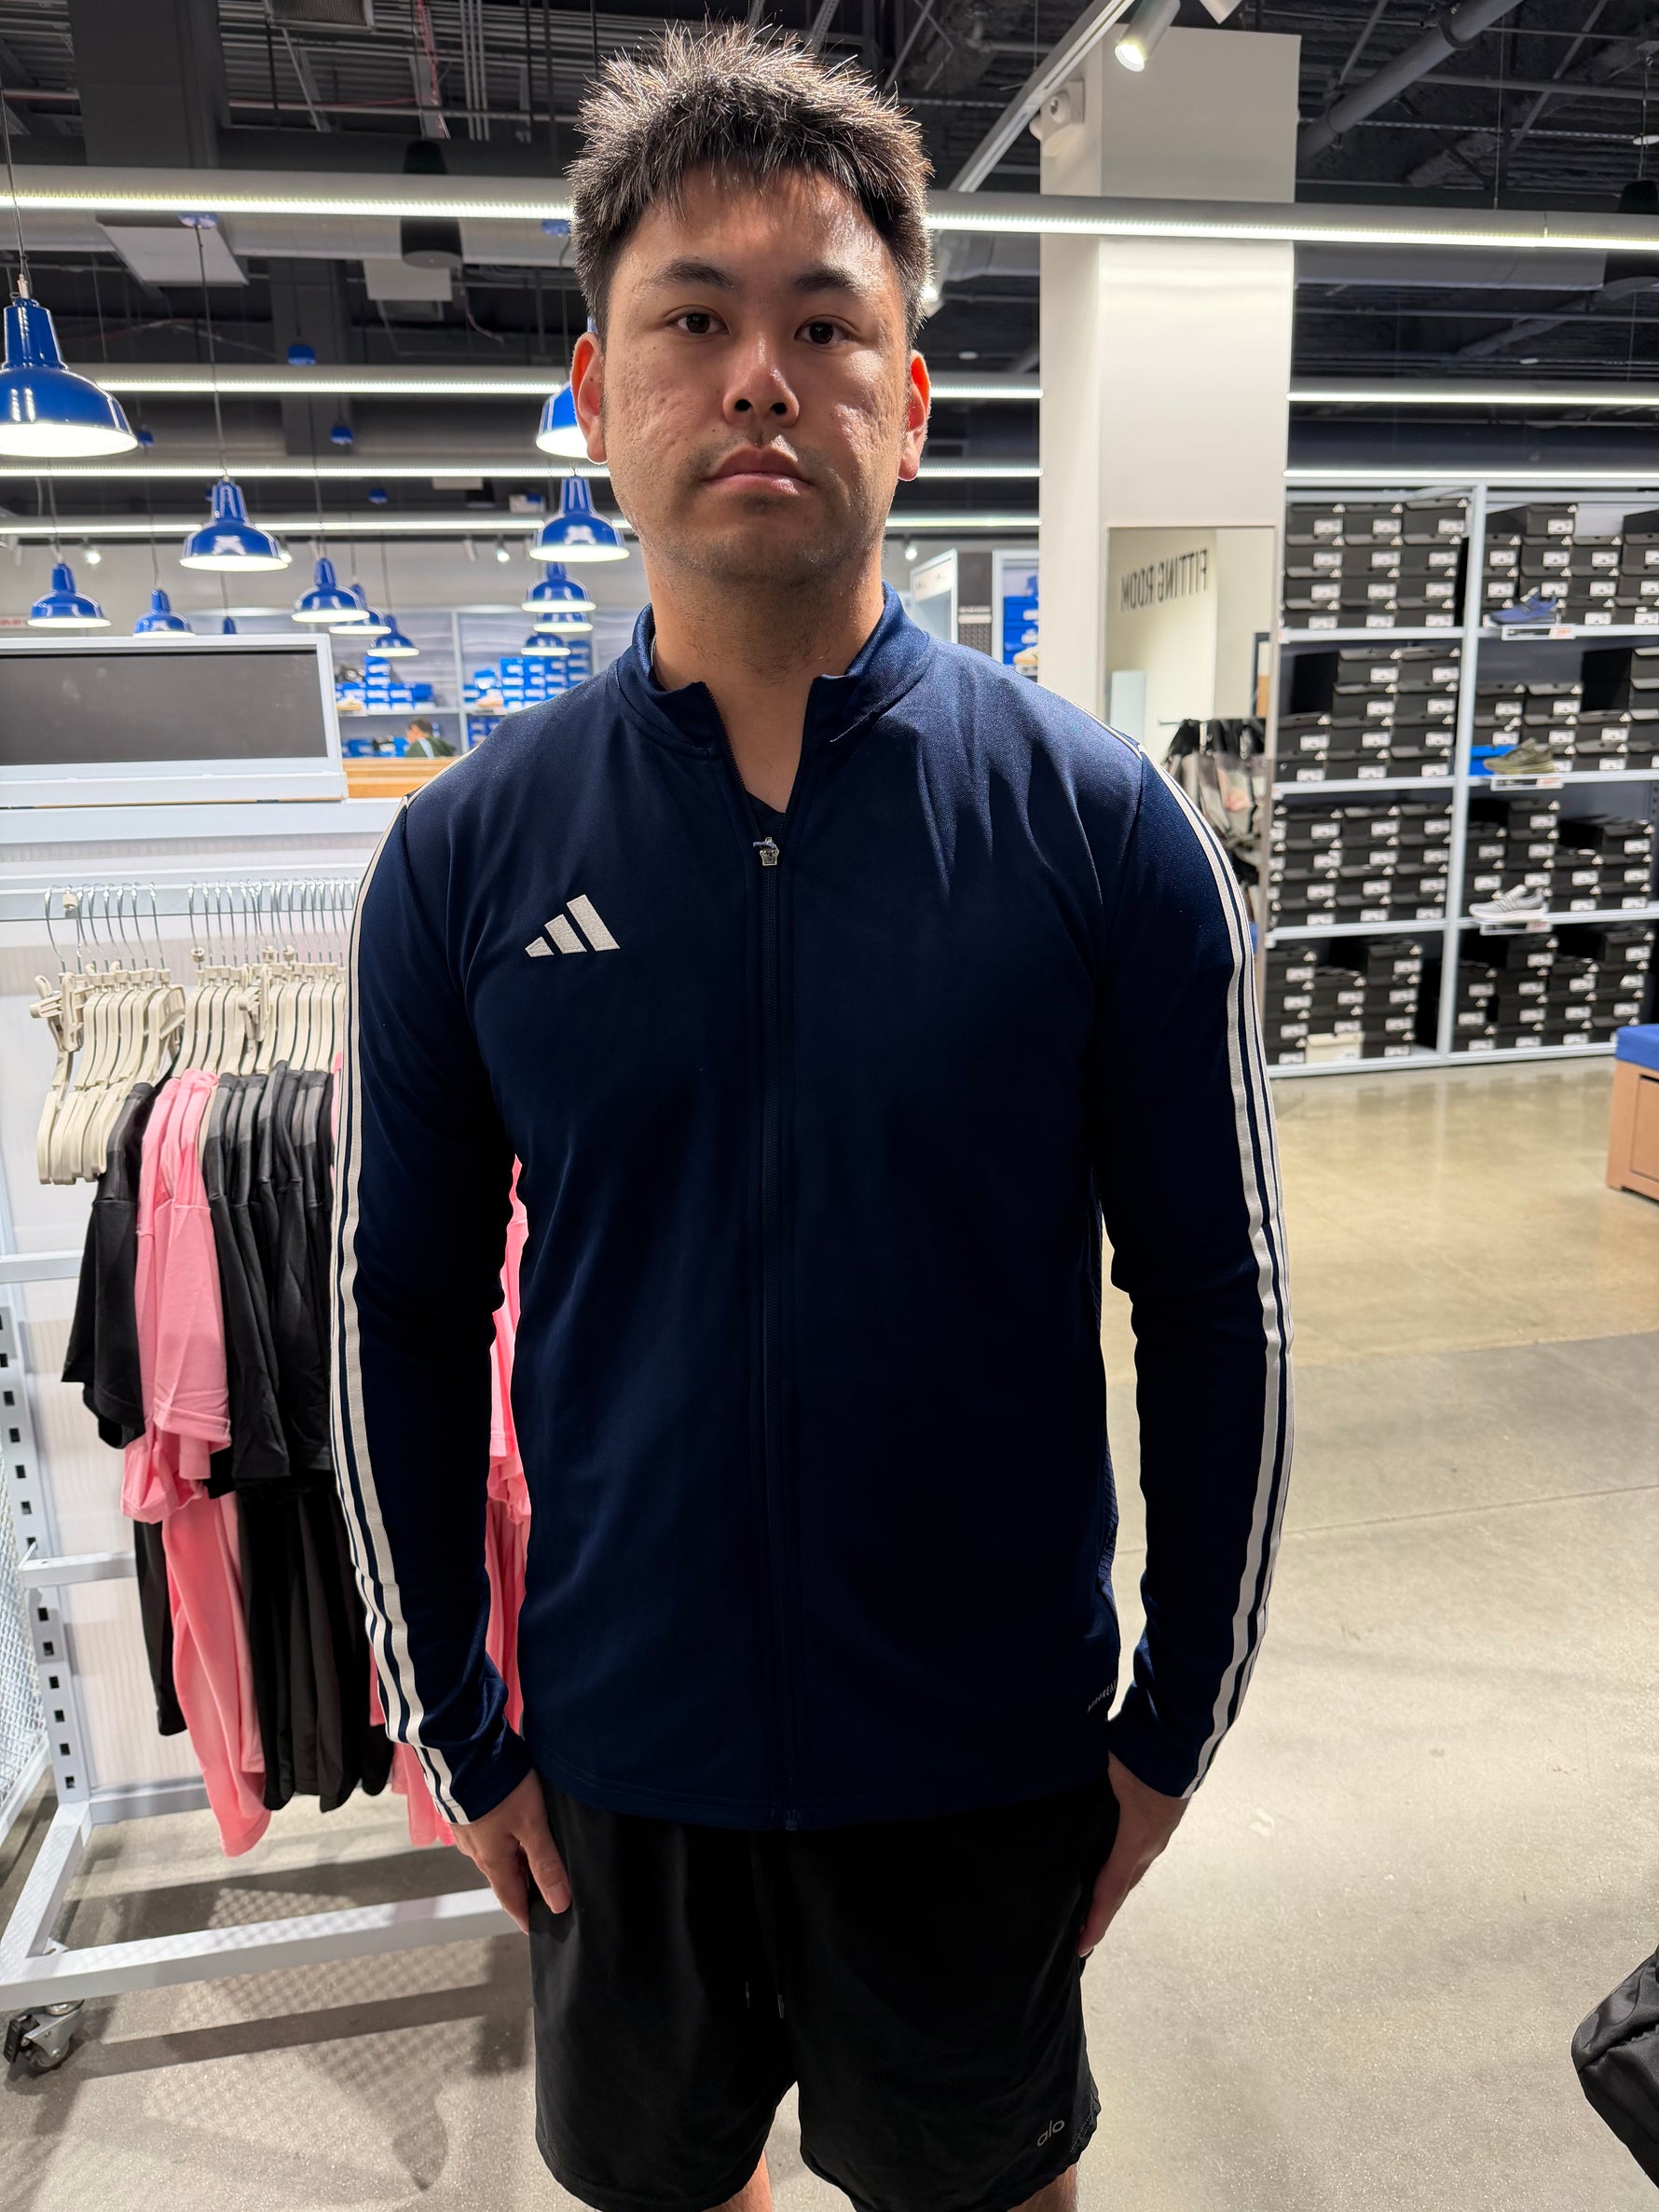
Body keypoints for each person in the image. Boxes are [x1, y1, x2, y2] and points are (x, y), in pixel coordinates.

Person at [332, 27, 1291, 2212]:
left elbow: (1214, 1304)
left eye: (823, 326)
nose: (758, 379)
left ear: (910, 400)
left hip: (974, 1754)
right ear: (598, 394)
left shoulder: (1099, 833)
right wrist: (454, 1715)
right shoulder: (467, 858)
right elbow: (390, 1312)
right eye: (691, 321)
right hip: (621, 1753)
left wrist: (1171, 1721)